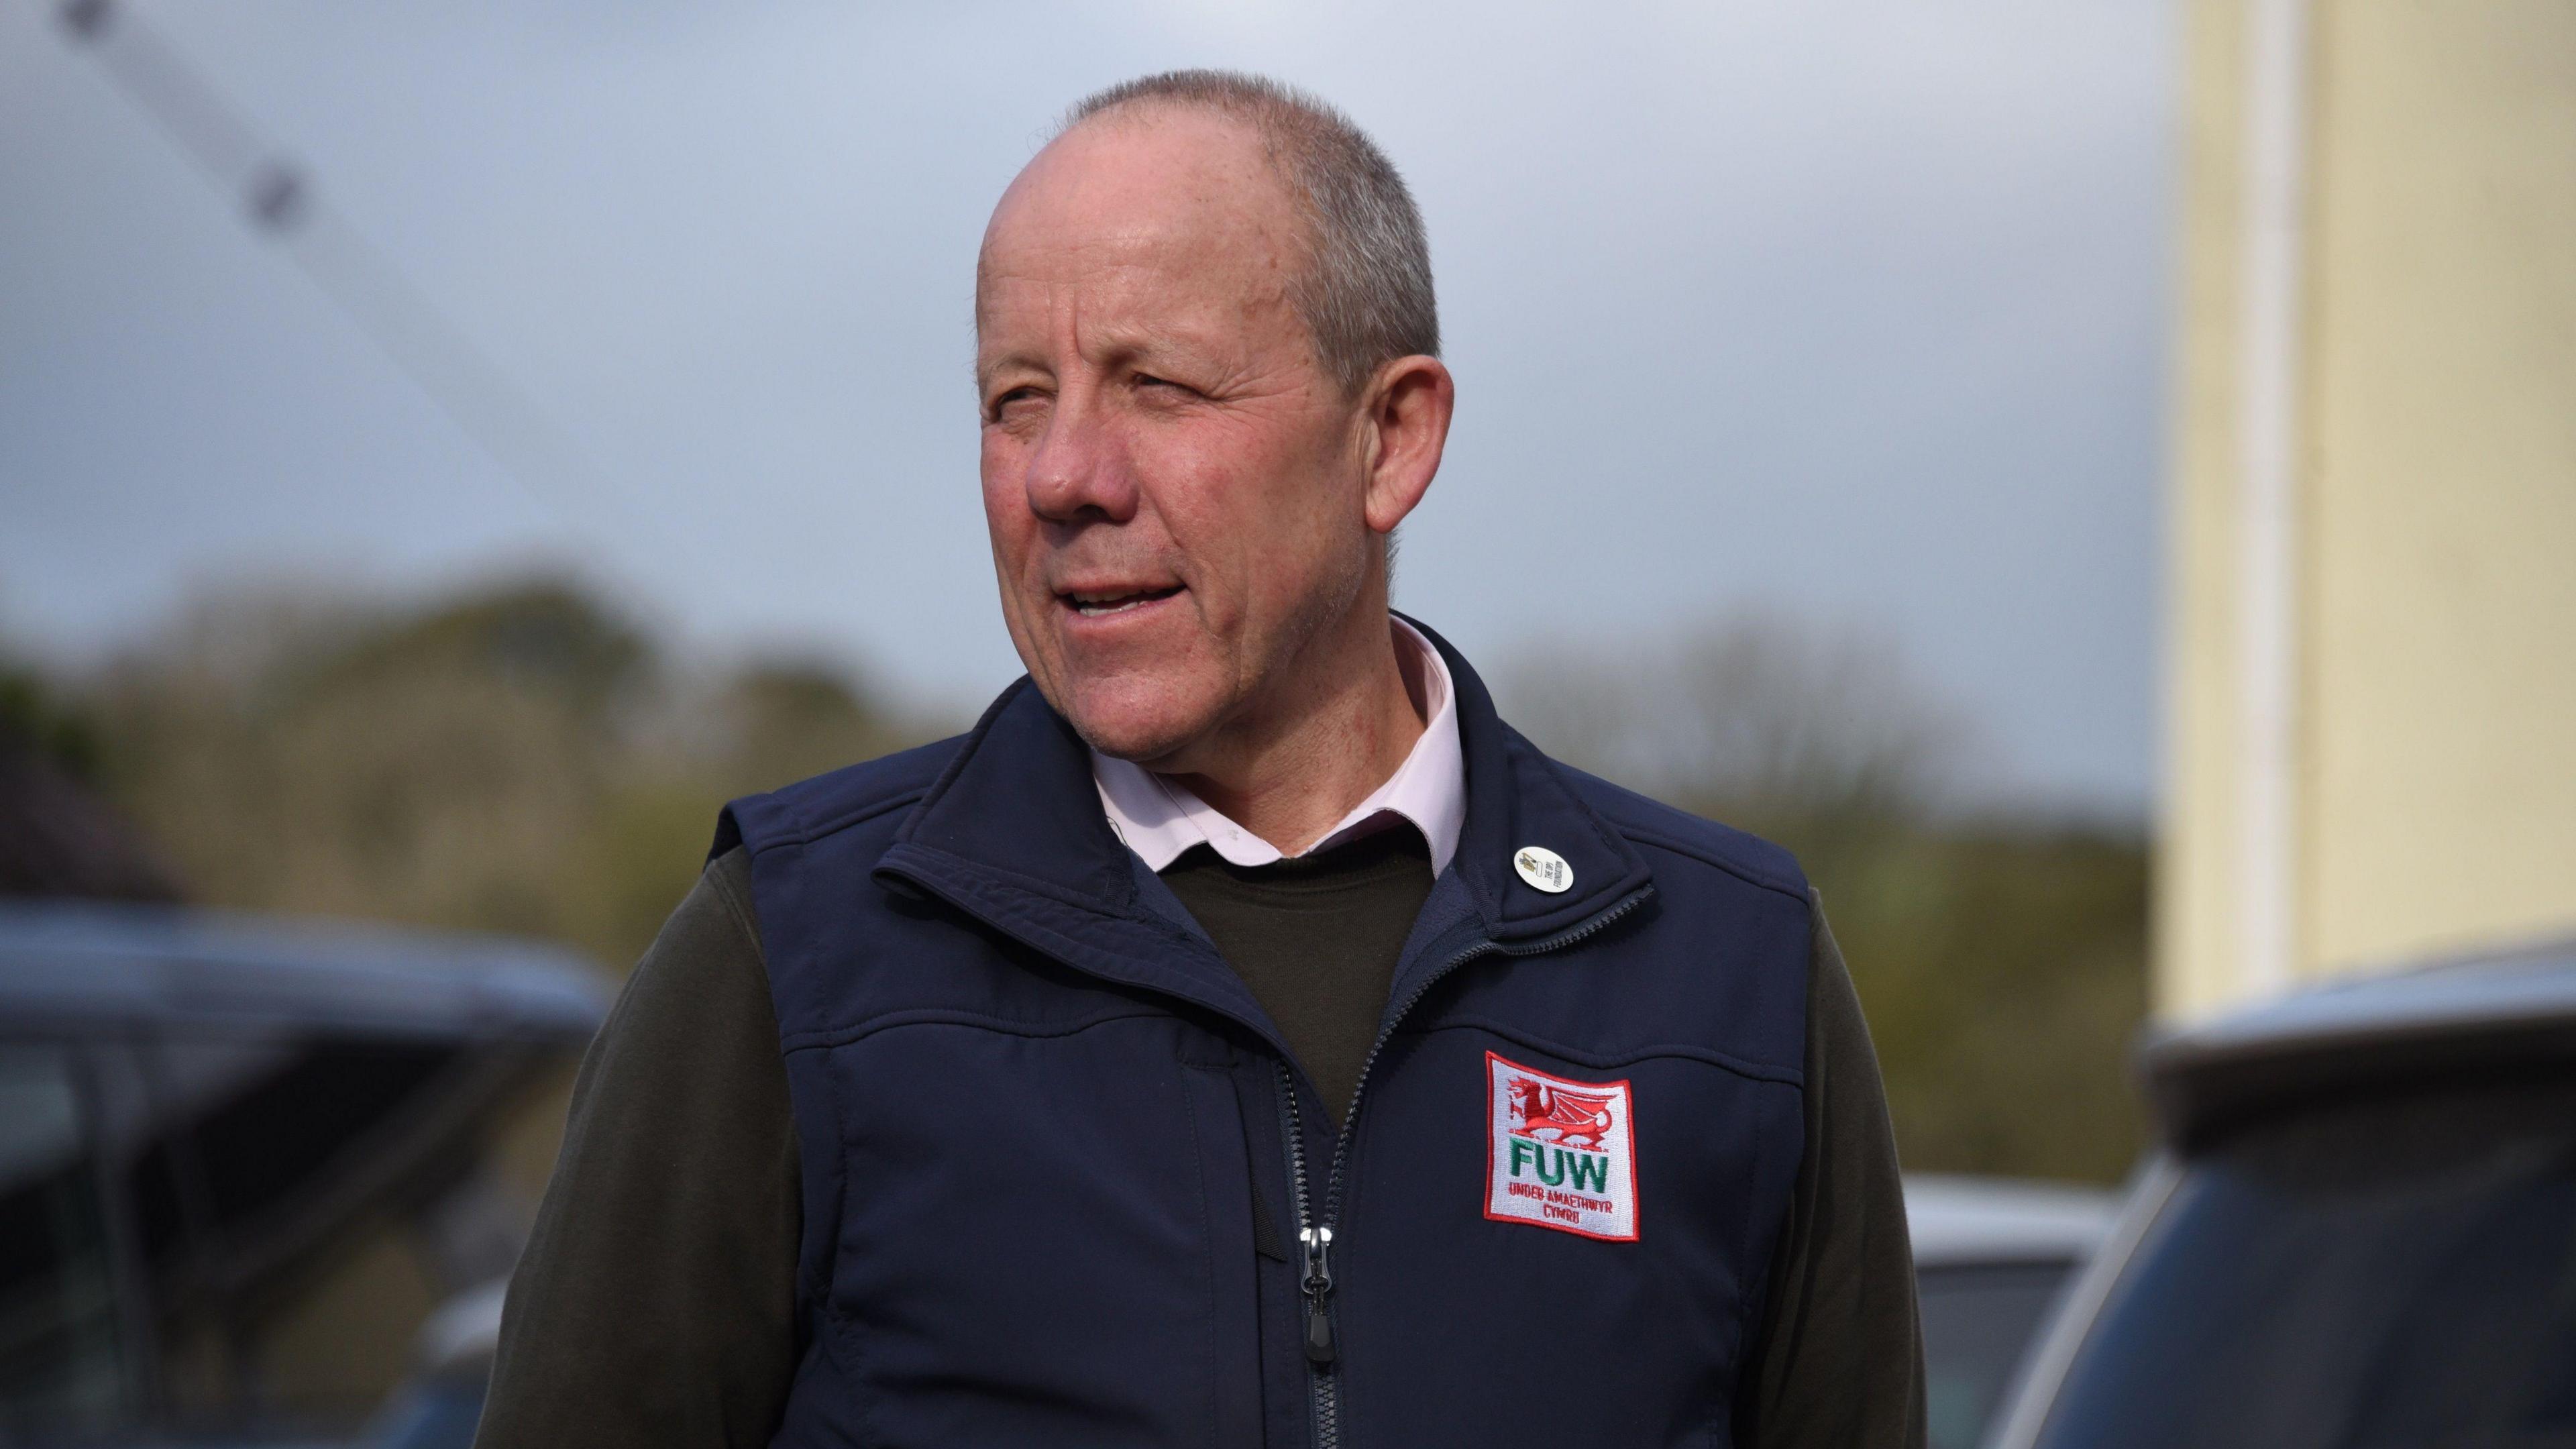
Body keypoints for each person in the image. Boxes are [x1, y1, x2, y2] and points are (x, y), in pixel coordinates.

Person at [474, 68, 1923, 1449]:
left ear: (1392, 439)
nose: (1064, 478)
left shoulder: (1731, 976)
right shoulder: (792, 960)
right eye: (1015, 399)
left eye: (1156, 385)